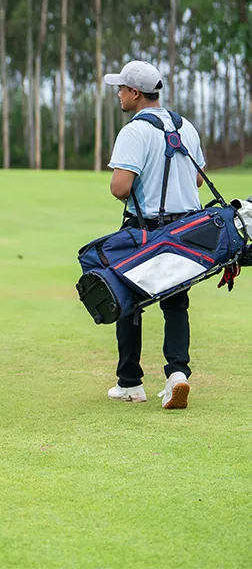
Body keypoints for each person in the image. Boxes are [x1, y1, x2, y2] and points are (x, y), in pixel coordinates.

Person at [105, 60, 206, 410]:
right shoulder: (186, 127)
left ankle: (130, 382)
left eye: (120, 88)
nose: (117, 94)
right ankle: (177, 374)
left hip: (145, 229)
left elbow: (120, 188)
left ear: (134, 93)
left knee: (127, 301)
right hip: (188, 231)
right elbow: (195, 180)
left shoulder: (134, 131)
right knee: (176, 302)